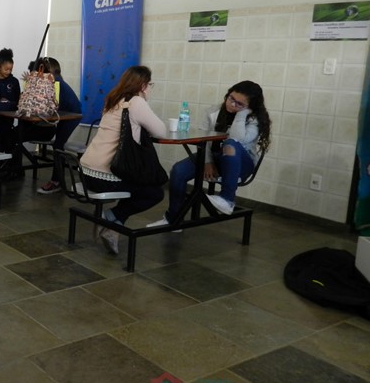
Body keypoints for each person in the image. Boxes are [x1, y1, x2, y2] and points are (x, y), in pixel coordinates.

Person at [149, 81, 272, 224]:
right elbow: (204, 139)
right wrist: (208, 162)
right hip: (215, 157)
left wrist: (241, 114)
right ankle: (174, 219)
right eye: (231, 98)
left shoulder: (253, 119)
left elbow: (237, 139)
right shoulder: (213, 112)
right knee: (178, 170)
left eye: (239, 104)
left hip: (241, 165)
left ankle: (227, 200)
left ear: (250, 107)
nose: (232, 104)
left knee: (231, 143)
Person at [79, 66, 167, 254]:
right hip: (105, 177)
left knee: (139, 184)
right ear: (143, 86)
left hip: (85, 171)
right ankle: (112, 216)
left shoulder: (112, 99)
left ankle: (114, 227)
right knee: (154, 192)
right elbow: (161, 131)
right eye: (150, 84)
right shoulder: (136, 102)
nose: (150, 88)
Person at [26, 57, 82, 194]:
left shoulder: (55, 82)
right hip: (64, 115)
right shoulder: (53, 80)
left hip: (72, 116)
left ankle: (56, 182)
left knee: (58, 146)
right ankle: (57, 181)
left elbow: (50, 105)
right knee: (58, 145)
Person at [0, 48, 20, 151]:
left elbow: (18, 100)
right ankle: (0, 156)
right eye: (6, 69)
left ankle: (8, 157)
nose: (8, 72)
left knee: (8, 138)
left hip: (9, 116)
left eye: (10, 69)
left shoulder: (14, 81)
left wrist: (10, 103)